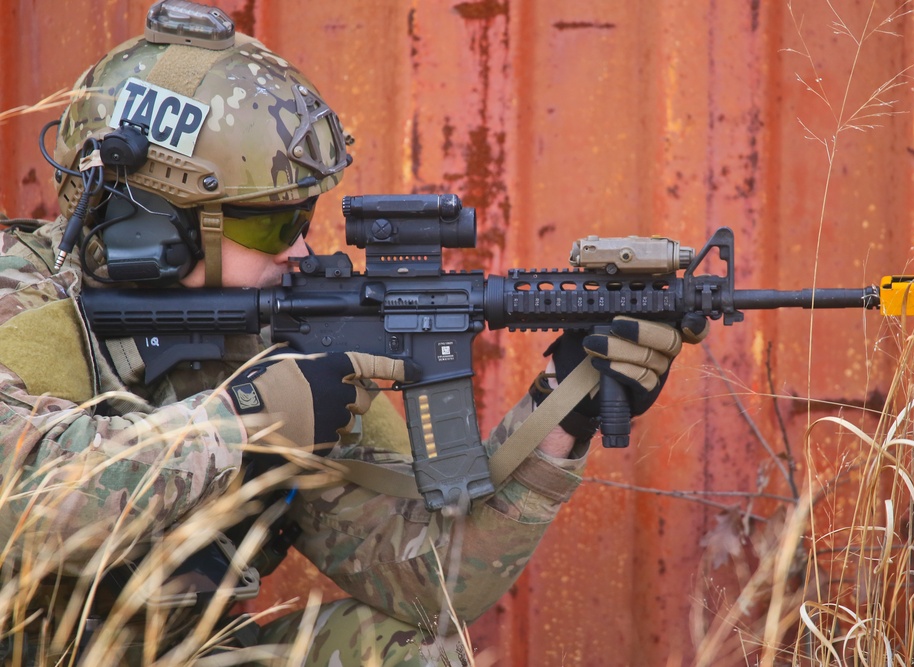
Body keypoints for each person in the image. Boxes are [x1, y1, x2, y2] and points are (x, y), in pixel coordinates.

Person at [0, 1, 706, 664]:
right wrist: (243, 424)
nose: (299, 249)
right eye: (274, 223)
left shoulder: (269, 335)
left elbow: (433, 583)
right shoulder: (18, 302)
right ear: (152, 222)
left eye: (305, 217)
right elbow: (24, 509)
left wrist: (562, 411)